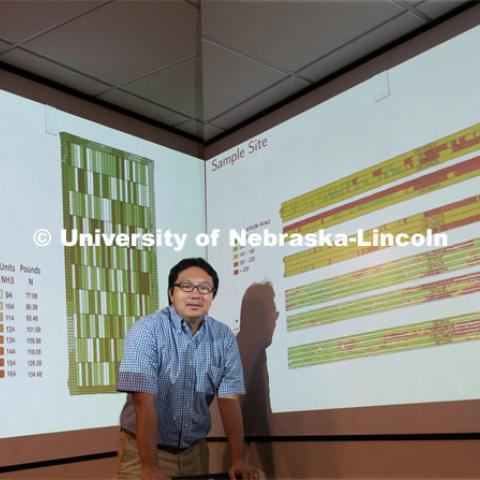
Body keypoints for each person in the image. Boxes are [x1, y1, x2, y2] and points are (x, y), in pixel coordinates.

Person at [116, 257, 259, 480]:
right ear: (171, 293)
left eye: (205, 288)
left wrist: (239, 459)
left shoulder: (224, 338)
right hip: (143, 452)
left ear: (212, 296)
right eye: (186, 286)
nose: (195, 295)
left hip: (196, 451)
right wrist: (150, 467)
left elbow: (229, 400)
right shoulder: (147, 331)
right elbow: (143, 403)